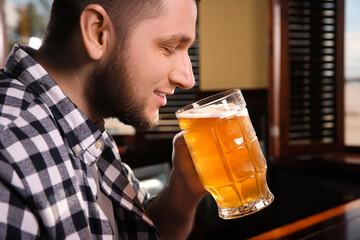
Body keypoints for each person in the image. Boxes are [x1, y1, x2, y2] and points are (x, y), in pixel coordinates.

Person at [0, 0, 207, 239]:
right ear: (97, 33)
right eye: (169, 47)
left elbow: (140, 232)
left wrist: (183, 189)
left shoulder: (84, 126)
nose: (188, 79)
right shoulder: (9, 152)